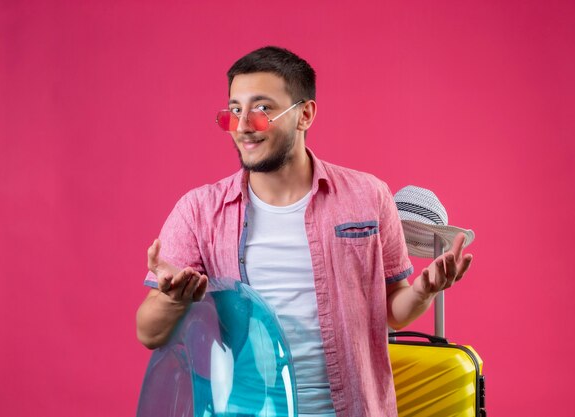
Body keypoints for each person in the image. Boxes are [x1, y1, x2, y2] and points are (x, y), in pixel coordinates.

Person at [136, 46, 473, 417]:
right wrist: (172, 298)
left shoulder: (368, 196)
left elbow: (394, 311)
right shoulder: (199, 211)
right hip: (247, 409)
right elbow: (149, 333)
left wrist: (423, 292)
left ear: (305, 114)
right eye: (234, 111)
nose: (244, 125)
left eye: (262, 109)